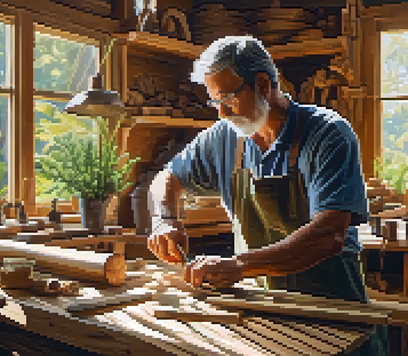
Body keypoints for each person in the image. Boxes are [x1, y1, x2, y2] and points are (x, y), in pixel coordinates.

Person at [146, 36, 388, 356]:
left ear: (262, 84)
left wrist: (238, 265)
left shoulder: (327, 134)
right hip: (261, 314)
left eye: (228, 99)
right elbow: (166, 178)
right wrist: (165, 219)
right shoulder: (225, 137)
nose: (220, 113)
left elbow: (329, 234)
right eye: (214, 102)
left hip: (331, 315)